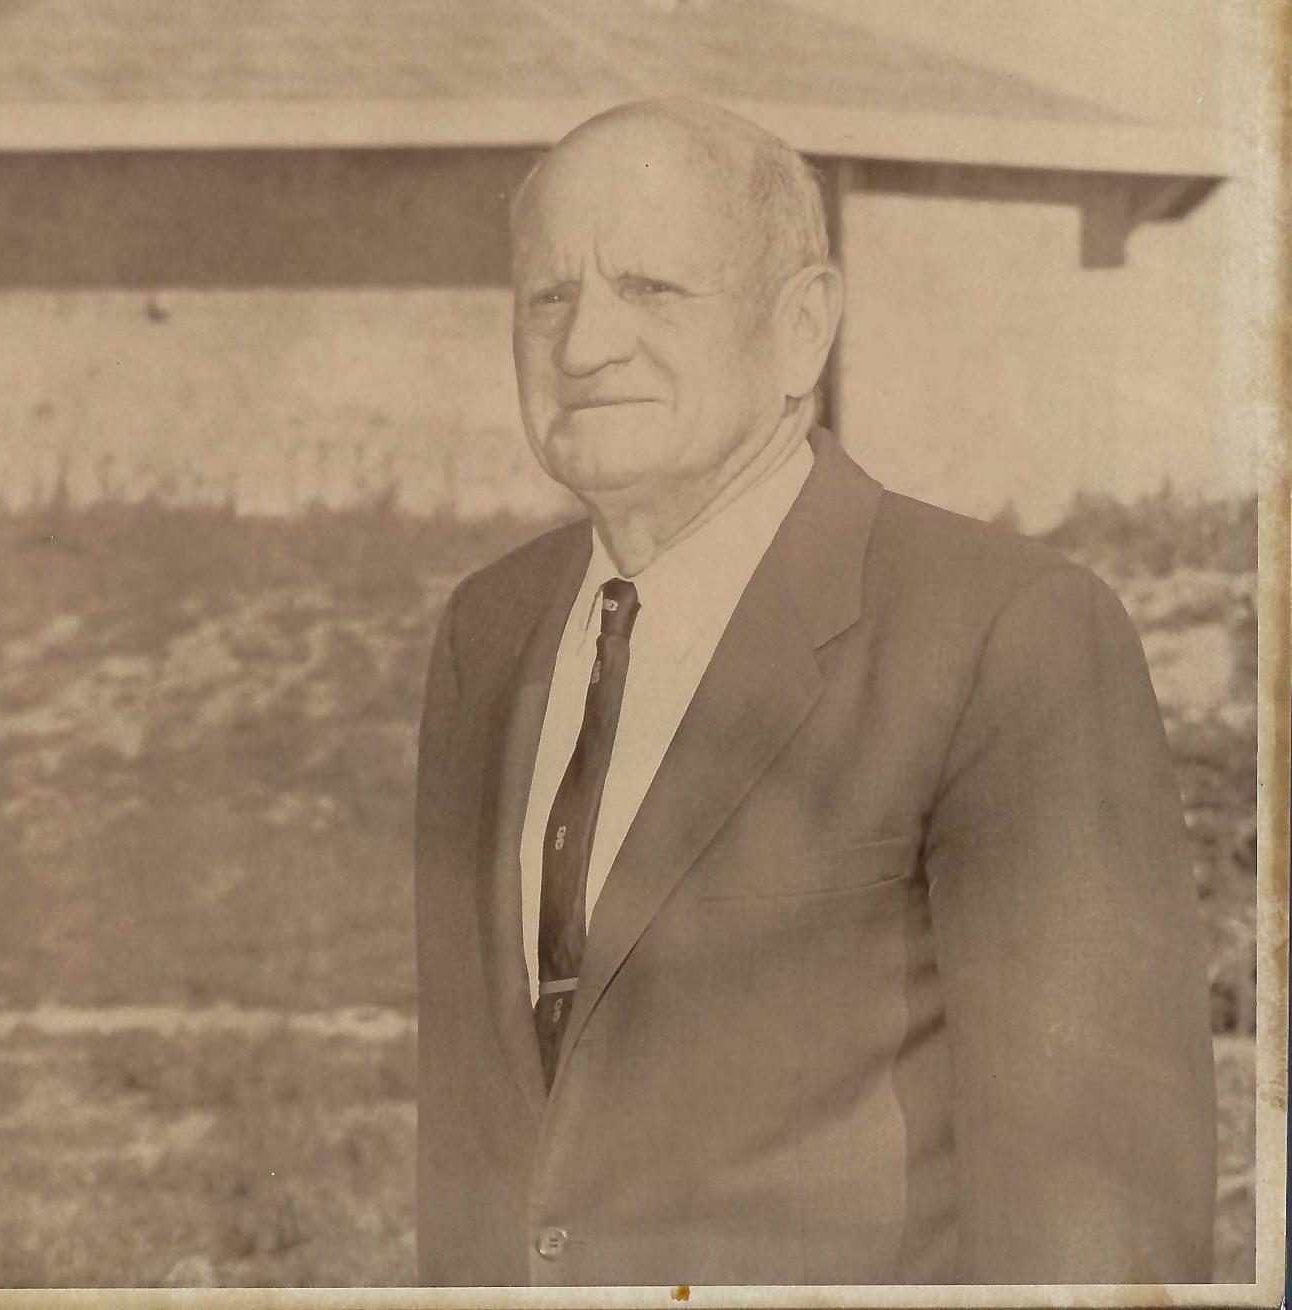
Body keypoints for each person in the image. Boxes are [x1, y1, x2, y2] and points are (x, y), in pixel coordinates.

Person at [414, 97, 1216, 1286]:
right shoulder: (486, 631)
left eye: (652, 290)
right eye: (547, 297)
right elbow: (479, 1138)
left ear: (802, 330)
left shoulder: (1004, 628)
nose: (583, 347)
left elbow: (1096, 1205)